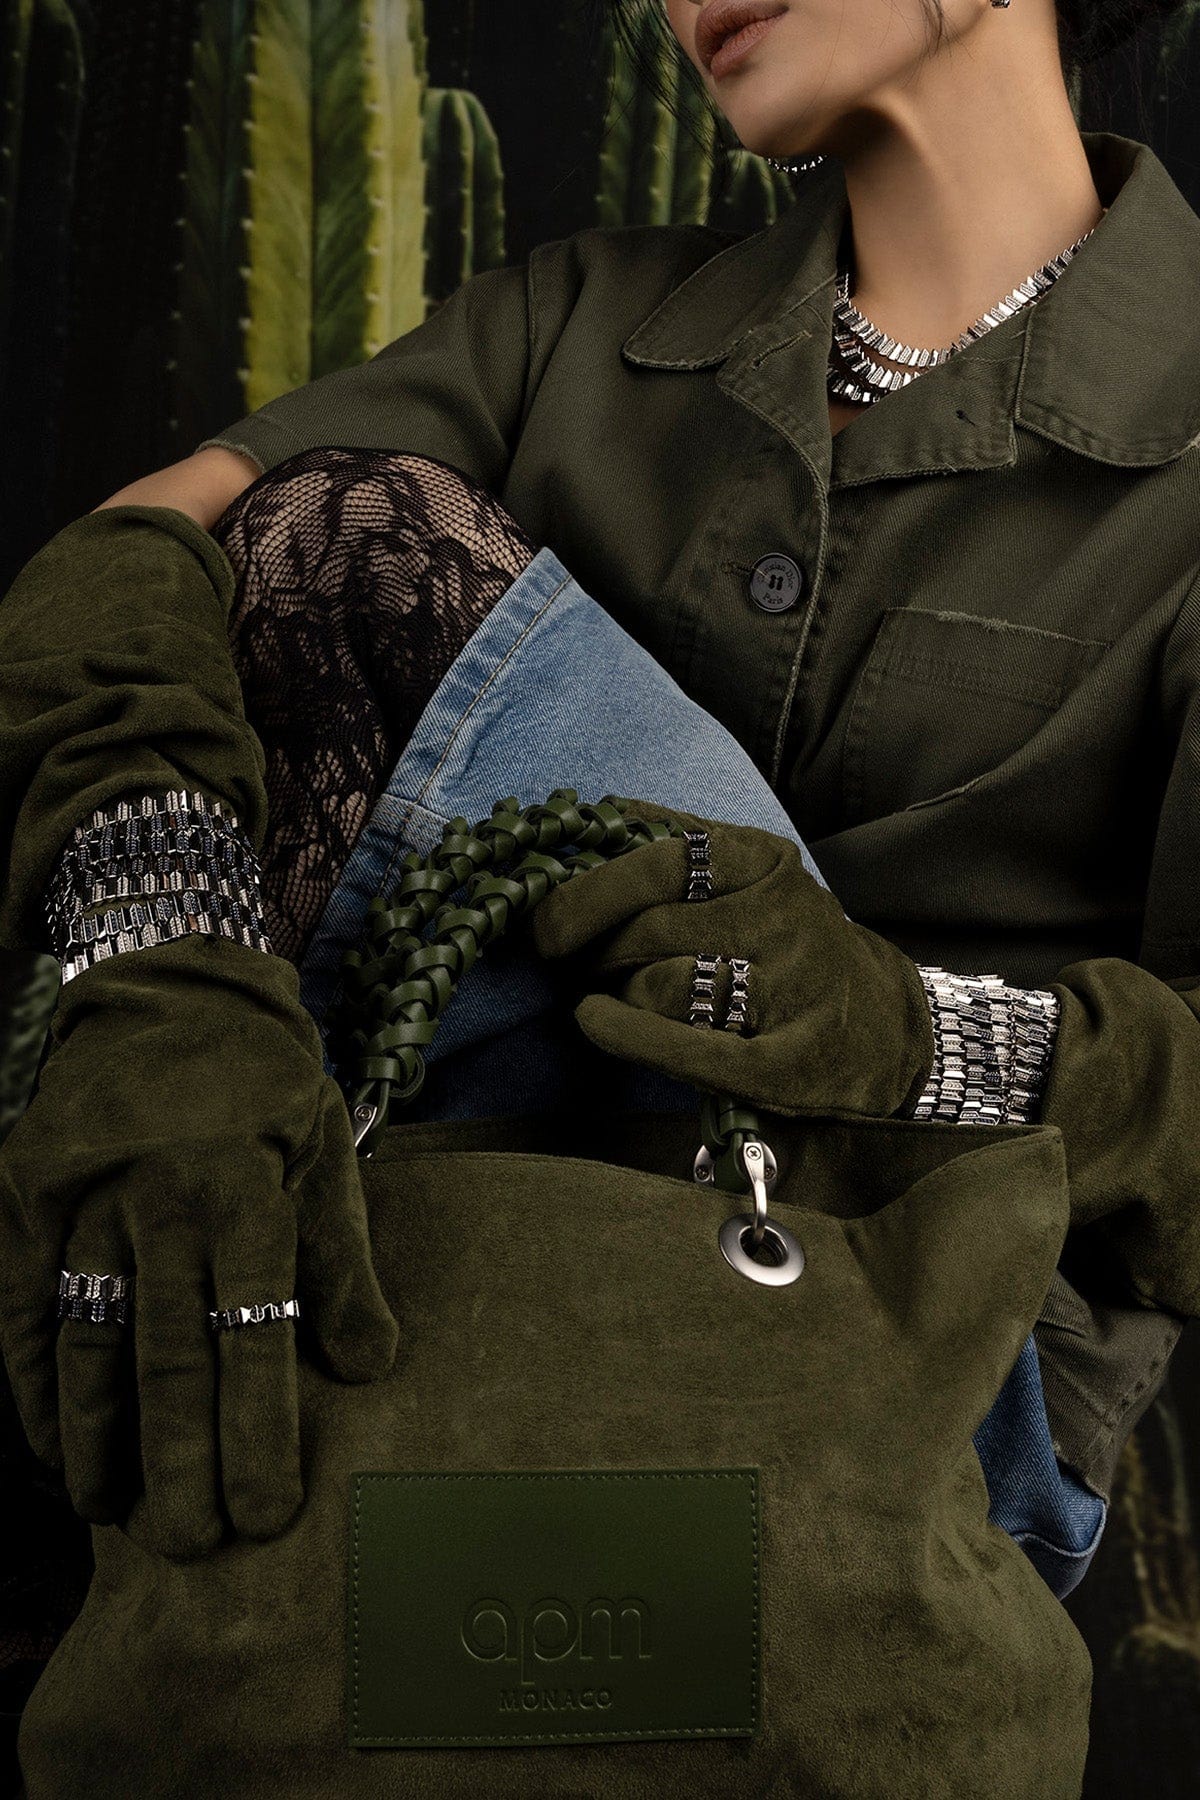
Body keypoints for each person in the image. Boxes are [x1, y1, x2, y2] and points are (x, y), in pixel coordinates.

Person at [1, 0, 1198, 1725]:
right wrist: (159, 959)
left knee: (346, 539)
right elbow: (131, 552)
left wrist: (915, 1032)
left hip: (928, 1384)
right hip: (450, 1252)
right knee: (200, 628)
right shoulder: (582, 318)